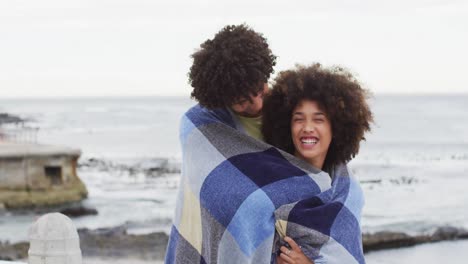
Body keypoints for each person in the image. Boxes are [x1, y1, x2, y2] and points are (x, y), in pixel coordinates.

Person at [262, 63, 373, 264]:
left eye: (318, 119)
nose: (307, 128)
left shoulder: (347, 191)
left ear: (336, 127)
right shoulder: (266, 176)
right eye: (299, 119)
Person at [188, 24, 276, 140]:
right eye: (242, 102)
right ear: (223, 102)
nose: (259, 105)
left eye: (260, 90)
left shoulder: (291, 108)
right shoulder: (206, 124)